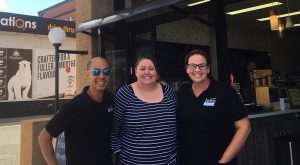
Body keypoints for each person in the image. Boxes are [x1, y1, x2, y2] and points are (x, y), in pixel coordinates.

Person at [177, 49, 251, 165]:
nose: (197, 70)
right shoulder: (182, 92)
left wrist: (224, 160)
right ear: (187, 69)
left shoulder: (224, 91)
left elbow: (244, 127)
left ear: (208, 68)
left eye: (202, 65)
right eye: (192, 66)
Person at [38, 57, 114, 165]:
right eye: (96, 72)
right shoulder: (74, 106)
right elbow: (44, 138)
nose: (101, 76)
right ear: (88, 75)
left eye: (106, 71)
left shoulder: (111, 100)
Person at [111, 56, 178, 165]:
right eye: (142, 69)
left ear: (156, 71)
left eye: (151, 68)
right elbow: (114, 130)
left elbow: (178, 123)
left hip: (169, 162)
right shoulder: (124, 94)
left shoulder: (169, 92)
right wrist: (117, 156)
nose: (147, 72)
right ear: (135, 71)